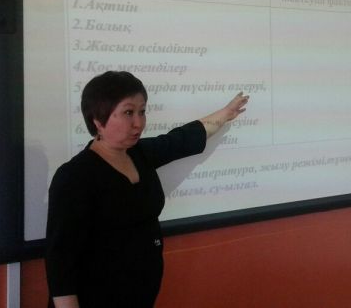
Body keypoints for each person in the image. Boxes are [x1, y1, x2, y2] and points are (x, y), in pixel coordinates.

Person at [45, 71, 249, 308]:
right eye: (128, 112)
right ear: (98, 120)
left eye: (142, 111)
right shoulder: (74, 176)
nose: (139, 123)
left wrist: (226, 113)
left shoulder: (139, 154)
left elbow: (182, 139)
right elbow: (60, 261)